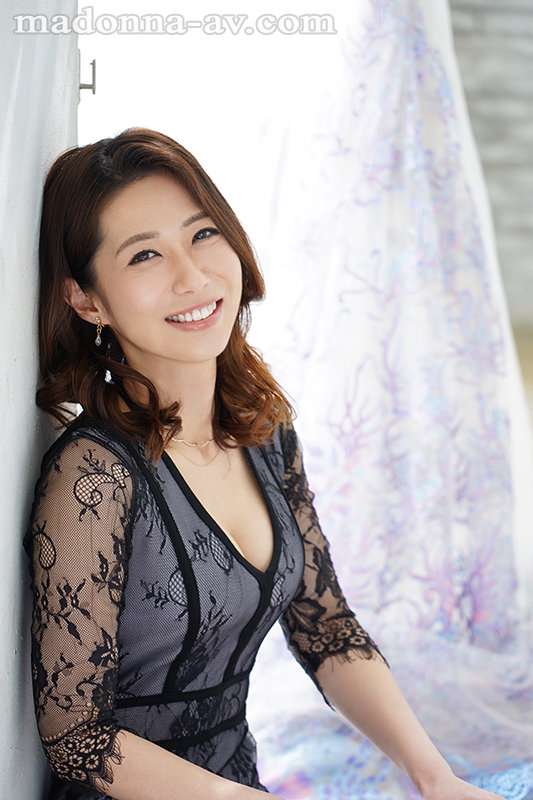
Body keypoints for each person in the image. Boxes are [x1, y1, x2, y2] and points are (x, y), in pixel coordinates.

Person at [26, 128, 504, 800]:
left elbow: (326, 629)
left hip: (243, 782)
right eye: (144, 255)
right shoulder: (93, 478)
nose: (192, 277)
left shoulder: (263, 433)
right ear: (86, 299)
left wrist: (435, 778)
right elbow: (77, 736)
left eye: (202, 234)